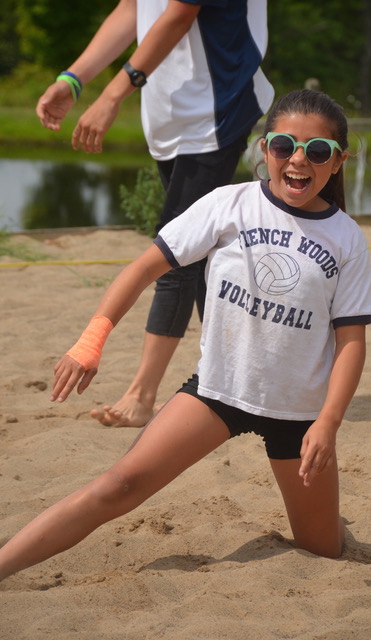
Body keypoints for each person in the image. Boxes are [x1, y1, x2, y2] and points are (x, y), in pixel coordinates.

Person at [0, 89, 371, 581]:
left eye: (318, 151)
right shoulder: (228, 204)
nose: (299, 160)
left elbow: (351, 342)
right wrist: (91, 340)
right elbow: (141, 270)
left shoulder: (347, 239)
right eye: (285, 145)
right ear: (265, 150)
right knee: (118, 486)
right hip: (218, 394)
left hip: (299, 412)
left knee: (324, 551)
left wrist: (327, 422)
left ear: (338, 161)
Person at [36, 0, 274, 428]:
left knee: (176, 254)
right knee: (203, 257)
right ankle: (238, 381)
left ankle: (142, 396)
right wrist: (73, 80)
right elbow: (132, 9)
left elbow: (181, 13)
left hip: (218, 108)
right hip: (170, 116)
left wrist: (111, 96)